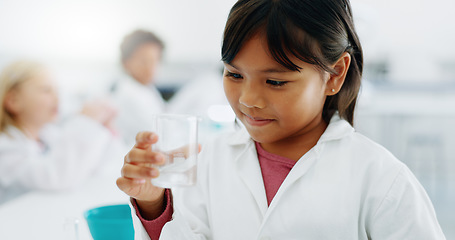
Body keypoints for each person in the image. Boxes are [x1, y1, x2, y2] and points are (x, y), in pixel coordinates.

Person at [116, 0, 446, 239]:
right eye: (234, 74)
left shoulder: (380, 179)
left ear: (335, 75)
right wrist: (153, 204)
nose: (247, 99)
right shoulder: (210, 162)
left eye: (275, 81)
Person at [0, 60, 120, 204]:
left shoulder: (49, 135)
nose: (57, 98)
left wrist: (102, 127)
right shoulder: (6, 148)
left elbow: (97, 166)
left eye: (57, 90)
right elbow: (57, 178)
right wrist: (85, 122)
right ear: (13, 101)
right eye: (46, 90)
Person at [111, 29, 167, 146]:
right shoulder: (129, 95)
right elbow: (159, 137)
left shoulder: (146, 88)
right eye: (144, 61)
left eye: (154, 60)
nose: (150, 68)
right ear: (126, 62)